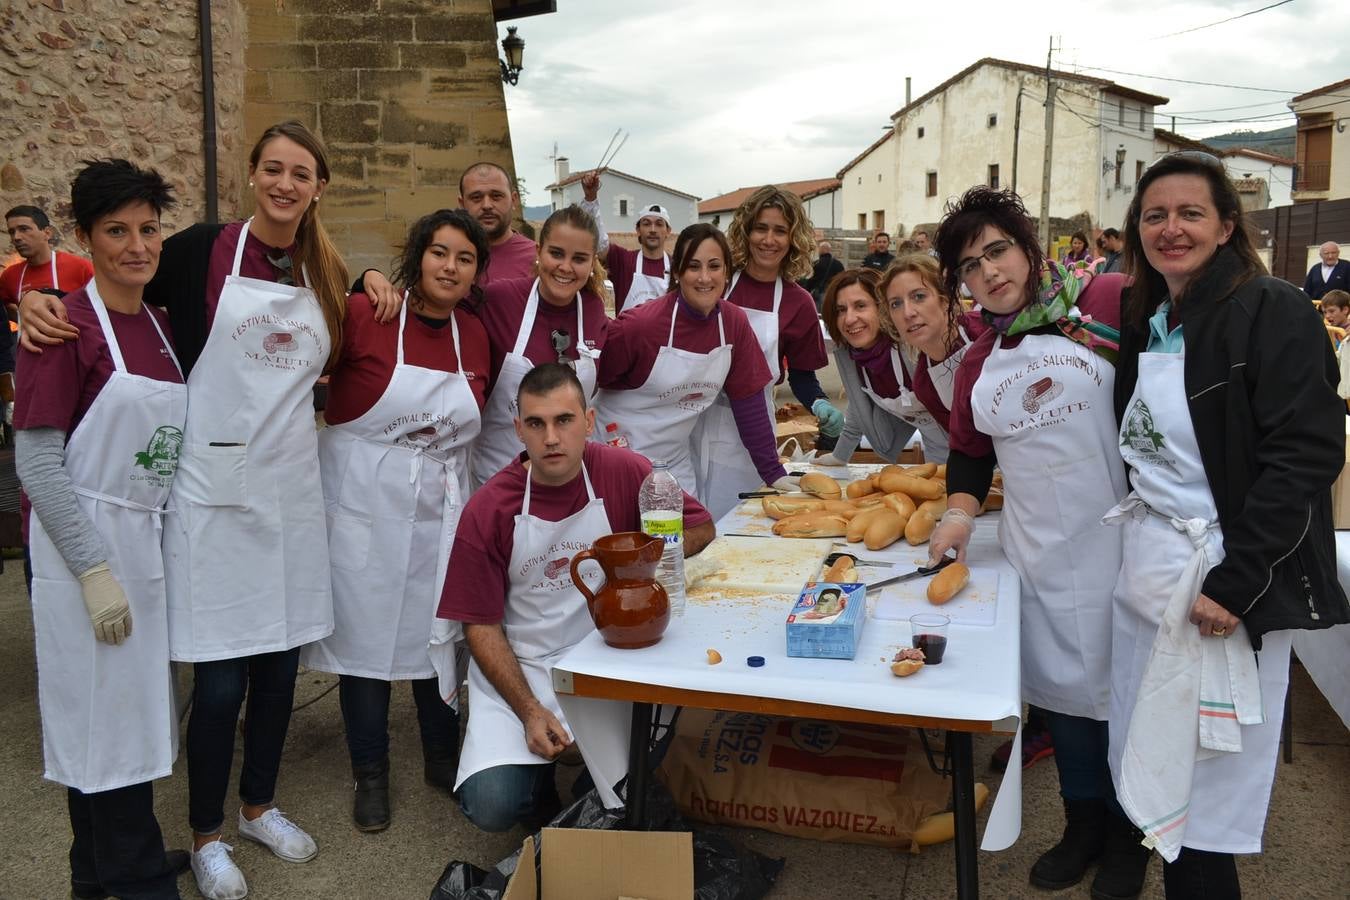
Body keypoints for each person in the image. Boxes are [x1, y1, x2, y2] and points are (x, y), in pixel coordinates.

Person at [18, 120, 394, 900]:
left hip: (290, 495)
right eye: (273, 169)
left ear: (319, 187)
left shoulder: (326, 272)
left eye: (302, 173)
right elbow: (104, 295)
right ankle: (206, 834)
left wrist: (369, 281)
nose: (286, 184)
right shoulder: (194, 253)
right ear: (252, 176)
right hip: (207, 500)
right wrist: (37, 297)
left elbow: (358, 341)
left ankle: (257, 805)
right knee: (216, 688)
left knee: (280, 673)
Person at [1108, 151, 1348, 899]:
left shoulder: (1270, 309)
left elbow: (1307, 452)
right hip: (1149, 572)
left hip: (1221, 582)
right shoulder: (1150, 318)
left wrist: (1237, 582)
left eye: (1189, 213)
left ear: (1226, 226)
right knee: (1148, 750)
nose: (1170, 228)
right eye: (1155, 214)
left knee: (1207, 799)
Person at [927, 187, 1145, 899]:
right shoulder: (978, 361)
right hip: (1040, 555)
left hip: (1124, 542)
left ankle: (1131, 834)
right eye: (969, 265)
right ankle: (1082, 825)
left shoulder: (1108, 302)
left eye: (996, 250)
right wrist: (956, 517)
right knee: (1065, 700)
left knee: (1127, 698)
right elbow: (969, 459)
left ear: (1027, 246)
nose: (988, 272)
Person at [438, 363, 716, 831]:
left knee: (618, 793)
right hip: (525, 664)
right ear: (518, 429)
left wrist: (642, 558)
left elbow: (700, 527)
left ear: (588, 422)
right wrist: (529, 710)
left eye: (564, 421)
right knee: (493, 805)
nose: (551, 438)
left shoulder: (626, 471)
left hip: (610, 657)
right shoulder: (489, 508)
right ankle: (539, 786)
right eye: (536, 423)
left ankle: (594, 779)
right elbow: (480, 625)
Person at [16, 159, 188, 900]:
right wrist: (91, 570)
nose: (137, 246)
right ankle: (141, 879)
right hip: (78, 547)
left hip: (142, 544)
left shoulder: (160, 322)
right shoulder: (63, 328)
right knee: (101, 726)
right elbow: (38, 464)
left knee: (128, 721)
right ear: (86, 237)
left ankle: (95, 876)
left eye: (148, 229)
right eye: (116, 231)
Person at [300, 209, 491, 832]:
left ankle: (442, 756)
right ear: (417, 255)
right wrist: (362, 280)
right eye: (440, 253)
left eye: (464, 258)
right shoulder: (366, 315)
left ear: (474, 273)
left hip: (439, 510)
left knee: (437, 637)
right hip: (363, 509)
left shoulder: (475, 334)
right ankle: (371, 771)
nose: (450, 267)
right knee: (366, 644)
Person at [594, 223, 790, 494]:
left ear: (726, 272)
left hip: (673, 464)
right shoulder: (641, 326)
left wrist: (773, 472)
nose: (705, 278)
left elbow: (750, 403)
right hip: (616, 457)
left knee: (690, 533)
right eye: (694, 266)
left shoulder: (734, 324)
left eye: (714, 266)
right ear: (677, 272)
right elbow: (588, 383)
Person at [693, 185, 837, 517]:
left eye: (779, 231)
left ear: (793, 238)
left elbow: (802, 376)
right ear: (746, 231)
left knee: (738, 521)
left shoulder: (797, 301)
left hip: (751, 435)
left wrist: (819, 403)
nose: (768, 240)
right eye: (760, 228)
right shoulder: (718, 282)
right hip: (694, 420)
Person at [470, 204, 610, 487]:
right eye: (556, 253)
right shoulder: (500, 299)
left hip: (569, 483)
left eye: (579, 258)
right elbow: (436, 301)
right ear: (538, 251)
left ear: (592, 261)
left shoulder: (593, 309)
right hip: (499, 480)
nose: (566, 267)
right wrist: (370, 279)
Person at [813, 266, 948, 465]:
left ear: (882, 308)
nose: (849, 319)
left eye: (860, 306)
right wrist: (839, 456)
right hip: (937, 452)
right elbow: (858, 408)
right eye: (841, 310)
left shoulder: (912, 347)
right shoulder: (852, 357)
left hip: (980, 446)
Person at [2, 205, 95, 423]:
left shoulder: (79, 267)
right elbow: (5, 310)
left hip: (75, 364)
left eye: (24, 229)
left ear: (47, 232)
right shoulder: (10, 277)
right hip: (32, 368)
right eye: (12, 232)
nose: (17, 237)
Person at [578, 172, 672, 313]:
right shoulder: (623, 260)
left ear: (668, 231)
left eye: (659, 224)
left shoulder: (677, 267)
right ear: (638, 230)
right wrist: (591, 199)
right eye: (646, 224)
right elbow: (597, 243)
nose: (653, 230)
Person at [803, 239, 844, 310]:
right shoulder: (839, 264)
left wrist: (807, 290)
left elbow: (811, 279)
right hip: (833, 295)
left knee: (818, 315)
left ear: (821, 250)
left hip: (818, 295)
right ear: (829, 250)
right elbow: (842, 280)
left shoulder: (816, 263)